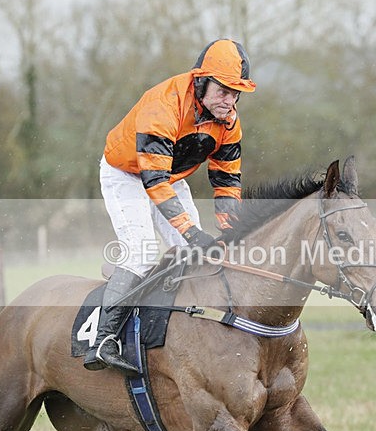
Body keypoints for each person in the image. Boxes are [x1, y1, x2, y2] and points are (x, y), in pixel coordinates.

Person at [84, 39, 256, 374]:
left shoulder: (228, 121)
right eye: (224, 91)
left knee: (195, 257)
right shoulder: (164, 104)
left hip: (170, 175)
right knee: (143, 252)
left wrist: (229, 230)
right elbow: (153, 182)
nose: (230, 101)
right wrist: (192, 232)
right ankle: (103, 340)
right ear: (201, 82)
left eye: (236, 94)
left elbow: (226, 179)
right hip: (128, 173)